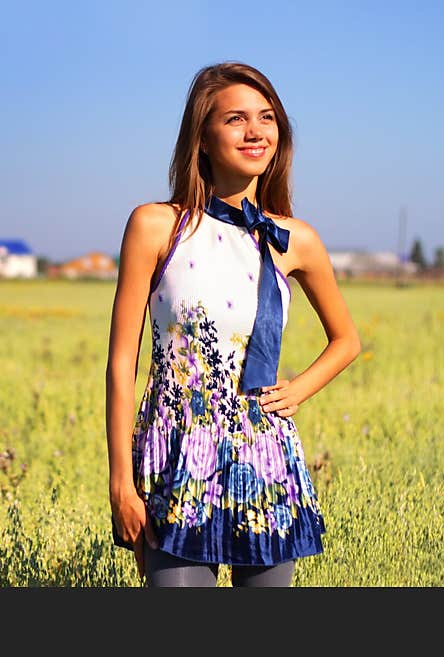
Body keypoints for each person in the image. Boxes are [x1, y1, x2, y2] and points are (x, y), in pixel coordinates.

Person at [105, 61, 361, 587]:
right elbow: (119, 364)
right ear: (201, 137)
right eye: (236, 119)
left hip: (265, 454)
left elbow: (347, 340)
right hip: (177, 453)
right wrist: (120, 483)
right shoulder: (156, 225)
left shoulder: (294, 238)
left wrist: (296, 392)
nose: (255, 132)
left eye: (266, 118)